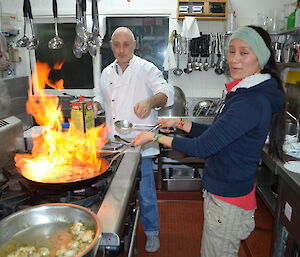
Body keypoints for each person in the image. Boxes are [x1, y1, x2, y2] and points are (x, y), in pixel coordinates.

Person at [132, 25, 286, 257]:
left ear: (261, 57)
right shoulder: (246, 93)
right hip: (227, 191)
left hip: (229, 199)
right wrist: (182, 124)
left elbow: (204, 147)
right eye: (231, 51)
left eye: (244, 52)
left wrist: (154, 137)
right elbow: (218, 134)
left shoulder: (250, 101)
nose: (234, 59)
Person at [93, 26, 174, 253]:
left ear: (134, 44)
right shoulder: (107, 72)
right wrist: (96, 104)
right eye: (117, 45)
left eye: (126, 44)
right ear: (111, 46)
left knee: (145, 192)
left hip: (140, 143)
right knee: (114, 194)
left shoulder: (146, 68)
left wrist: (149, 102)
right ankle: (116, 231)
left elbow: (165, 92)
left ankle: (151, 232)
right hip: (114, 145)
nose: (121, 49)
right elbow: (101, 94)